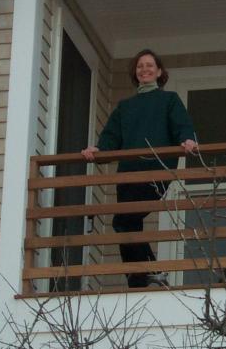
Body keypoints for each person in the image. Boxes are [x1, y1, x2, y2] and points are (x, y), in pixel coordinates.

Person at [82, 49, 196, 288]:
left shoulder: (169, 100)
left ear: (159, 72)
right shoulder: (125, 107)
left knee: (123, 221)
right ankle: (143, 275)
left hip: (156, 170)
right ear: (135, 73)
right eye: (140, 66)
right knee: (126, 222)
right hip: (128, 173)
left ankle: (143, 274)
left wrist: (187, 140)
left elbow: (182, 125)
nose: (145, 69)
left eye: (149, 65)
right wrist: (97, 151)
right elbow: (110, 138)